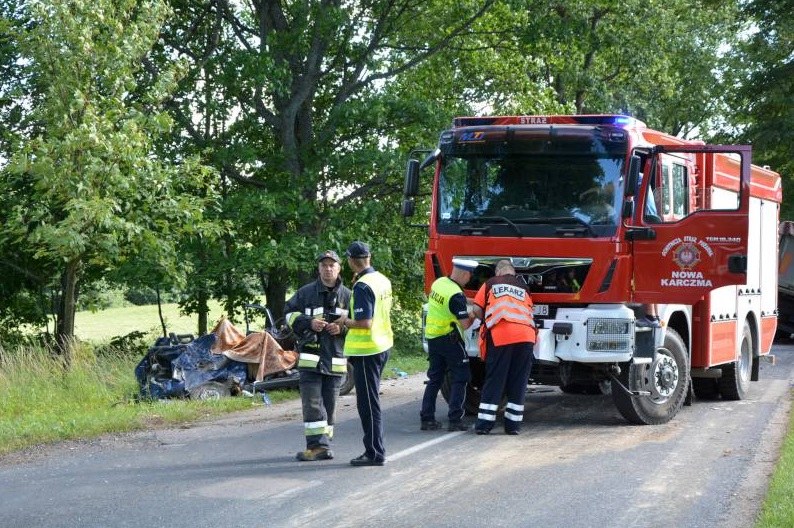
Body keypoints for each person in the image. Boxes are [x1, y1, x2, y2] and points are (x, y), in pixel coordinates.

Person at [284, 250, 352, 462]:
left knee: (329, 407)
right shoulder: (305, 293)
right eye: (324, 265)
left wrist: (341, 329)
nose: (328, 268)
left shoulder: (348, 296)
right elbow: (288, 314)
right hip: (310, 361)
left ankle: (323, 445)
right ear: (319, 268)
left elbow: (361, 325)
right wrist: (308, 323)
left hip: (335, 360)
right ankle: (316, 446)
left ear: (339, 268)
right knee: (313, 404)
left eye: (332, 265)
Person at [339, 241, 393, 466]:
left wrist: (344, 321)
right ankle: (374, 450)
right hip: (382, 346)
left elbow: (364, 322)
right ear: (369, 257)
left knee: (368, 404)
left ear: (352, 261)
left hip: (366, 351)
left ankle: (374, 453)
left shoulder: (362, 286)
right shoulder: (381, 279)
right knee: (371, 400)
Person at [470, 259, 536, 435]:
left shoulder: (491, 283)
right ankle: (513, 426)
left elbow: (476, 309)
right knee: (519, 381)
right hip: (527, 337)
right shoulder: (524, 288)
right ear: (513, 272)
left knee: (495, 378)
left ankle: (484, 424)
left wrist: (487, 319)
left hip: (502, 335)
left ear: (498, 272)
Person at [420, 258, 478, 432]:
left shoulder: (439, 283)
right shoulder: (455, 295)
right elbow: (466, 324)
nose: (469, 280)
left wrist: (472, 300)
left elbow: (456, 300)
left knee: (435, 378)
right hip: (450, 339)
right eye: (469, 276)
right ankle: (455, 420)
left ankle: (427, 419)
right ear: (465, 274)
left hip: (433, 337)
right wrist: (475, 312)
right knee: (461, 376)